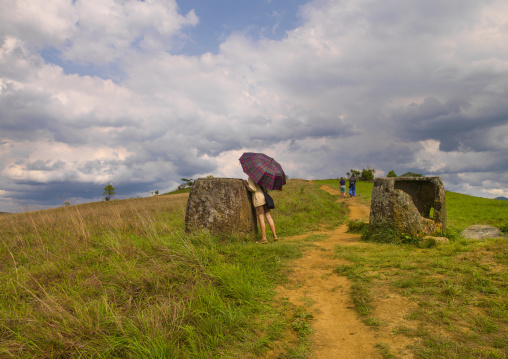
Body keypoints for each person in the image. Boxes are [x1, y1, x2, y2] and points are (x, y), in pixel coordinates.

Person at [244, 177, 277, 244]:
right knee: (269, 217)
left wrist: (247, 185)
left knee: (261, 219)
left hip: (258, 200)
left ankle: (264, 238)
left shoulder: (251, 177)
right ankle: (275, 235)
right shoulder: (263, 176)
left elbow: (253, 189)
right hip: (265, 199)